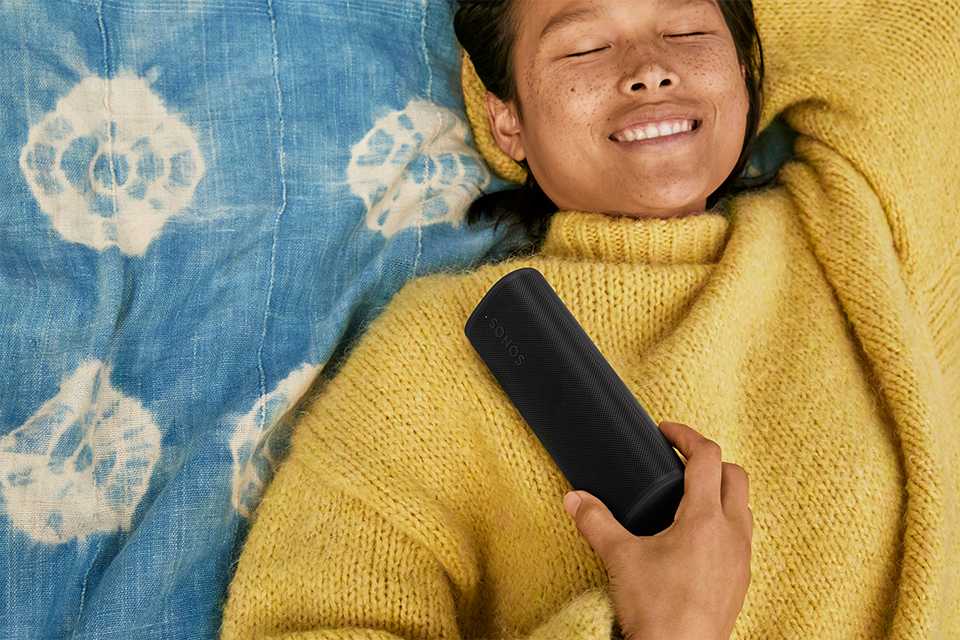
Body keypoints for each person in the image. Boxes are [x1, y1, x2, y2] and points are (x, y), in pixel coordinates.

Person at [218, 1, 960, 638]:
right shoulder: (433, 356)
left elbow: (917, 28)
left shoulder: (854, 234)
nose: (648, 68)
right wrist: (661, 628)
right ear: (504, 121)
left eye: (688, 31)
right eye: (586, 46)